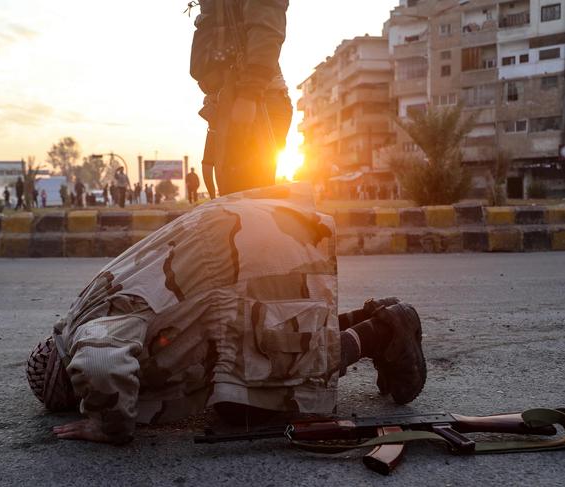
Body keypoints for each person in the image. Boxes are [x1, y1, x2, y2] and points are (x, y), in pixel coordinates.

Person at [26, 183, 426, 444]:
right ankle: (375, 318)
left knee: (269, 387)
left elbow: (101, 364)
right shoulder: (81, 314)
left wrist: (106, 422)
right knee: (263, 356)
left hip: (233, 255)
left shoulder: (90, 335)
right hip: (235, 245)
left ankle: (384, 332)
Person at [190, 0, 293, 196]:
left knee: (249, 204)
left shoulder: (250, 96)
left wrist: (249, 94)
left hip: (254, 102)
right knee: (238, 201)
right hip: (234, 100)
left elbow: (267, 27)